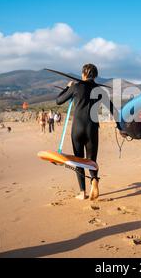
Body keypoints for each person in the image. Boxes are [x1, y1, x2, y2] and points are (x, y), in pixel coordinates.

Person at [56, 63, 119, 200]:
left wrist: (67, 87)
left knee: (79, 160)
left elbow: (58, 101)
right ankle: (94, 180)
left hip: (77, 129)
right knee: (91, 160)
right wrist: (121, 127)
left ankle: (82, 192)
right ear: (95, 75)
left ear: (83, 74)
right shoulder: (100, 90)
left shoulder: (76, 87)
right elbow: (113, 110)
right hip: (92, 129)